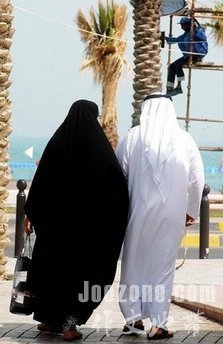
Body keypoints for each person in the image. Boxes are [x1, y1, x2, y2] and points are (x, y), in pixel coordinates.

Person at [23, 99, 129, 341]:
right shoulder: (101, 150)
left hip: (55, 233)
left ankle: (49, 319)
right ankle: (68, 326)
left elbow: (40, 183)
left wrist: (30, 214)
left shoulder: (57, 142)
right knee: (81, 277)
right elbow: (117, 192)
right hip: (87, 237)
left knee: (51, 272)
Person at [116, 93, 204, 340]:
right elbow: (197, 181)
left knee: (133, 262)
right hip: (171, 215)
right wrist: (191, 210)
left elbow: (118, 174)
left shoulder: (133, 137)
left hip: (137, 212)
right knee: (162, 267)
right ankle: (159, 324)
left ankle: (133, 319)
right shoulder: (184, 139)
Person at [165, 17, 208, 96]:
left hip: (197, 54)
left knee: (178, 65)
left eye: (183, 25)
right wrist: (165, 38)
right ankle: (169, 88)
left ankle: (179, 86)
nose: (181, 27)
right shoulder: (186, 35)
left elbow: (202, 37)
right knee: (172, 66)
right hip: (189, 55)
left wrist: (196, 27)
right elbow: (175, 40)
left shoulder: (198, 31)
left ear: (189, 25)